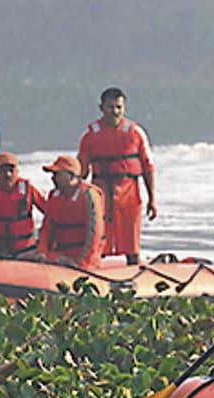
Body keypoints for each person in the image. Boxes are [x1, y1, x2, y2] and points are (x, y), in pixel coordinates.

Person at [77, 87, 156, 266]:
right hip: (101, 196)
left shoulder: (136, 133)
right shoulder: (90, 136)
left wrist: (152, 199)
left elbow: (148, 167)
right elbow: (81, 172)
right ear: (101, 108)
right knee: (99, 244)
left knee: (132, 247)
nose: (115, 112)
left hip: (130, 197)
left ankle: (135, 277)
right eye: (110, 107)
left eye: (119, 107)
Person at [24, 156, 106, 269]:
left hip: (83, 260)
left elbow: (94, 233)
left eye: (57, 174)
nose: (53, 178)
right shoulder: (54, 196)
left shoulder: (89, 195)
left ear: (71, 176)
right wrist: (42, 252)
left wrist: (82, 262)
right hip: (60, 256)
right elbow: (47, 227)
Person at [0, 152, 50, 260]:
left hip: (27, 248)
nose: (8, 175)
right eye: (3, 171)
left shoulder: (28, 189)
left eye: (11, 170)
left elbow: (50, 212)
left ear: (17, 172)